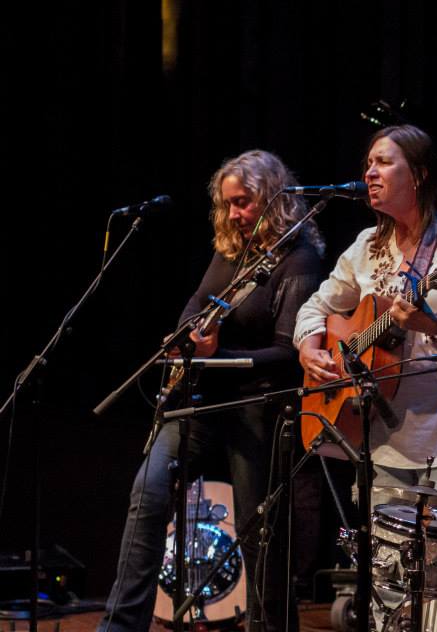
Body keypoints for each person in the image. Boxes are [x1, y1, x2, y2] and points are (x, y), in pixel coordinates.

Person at [98, 150, 325, 632]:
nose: (235, 214)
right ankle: (119, 626)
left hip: (259, 404)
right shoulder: (230, 252)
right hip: (204, 401)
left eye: (243, 202)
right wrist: (188, 338)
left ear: (271, 198)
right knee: (147, 493)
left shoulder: (299, 259)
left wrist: (217, 354)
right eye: (228, 204)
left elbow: (289, 353)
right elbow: (194, 307)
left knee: (257, 531)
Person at [294, 124, 437, 500]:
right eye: (368, 164)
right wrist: (309, 348)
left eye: (384, 163)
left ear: (418, 175)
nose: (369, 173)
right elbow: (316, 305)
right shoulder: (367, 245)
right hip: (381, 440)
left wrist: (433, 324)